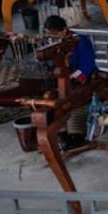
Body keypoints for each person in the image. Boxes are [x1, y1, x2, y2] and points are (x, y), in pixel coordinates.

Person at [43, 14, 98, 150]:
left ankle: (77, 135)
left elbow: (87, 65)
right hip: (62, 78)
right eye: (51, 34)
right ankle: (61, 133)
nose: (54, 37)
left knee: (72, 98)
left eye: (56, 33)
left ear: (64, 30)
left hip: (81, 78)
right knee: (50, 97)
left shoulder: (79, 41)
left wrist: (74, 77)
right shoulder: (51, 43)